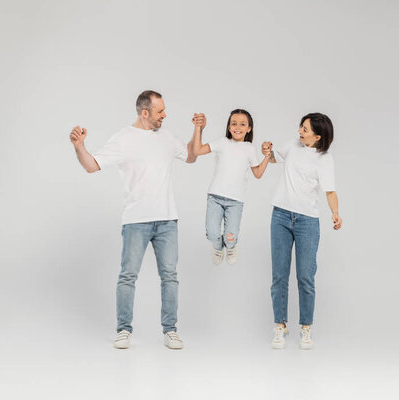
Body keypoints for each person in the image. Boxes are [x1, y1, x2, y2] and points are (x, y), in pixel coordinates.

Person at [69, 90, 203, 350]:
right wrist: (79, 147)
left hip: (167, 220)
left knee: (170, 277)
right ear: (145, 113)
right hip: (136, 221)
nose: (165, 115)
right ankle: (123, 329)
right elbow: (91, 165)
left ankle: (170, 330)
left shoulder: (166, 136)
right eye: (160, 111)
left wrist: (198, 130)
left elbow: (190, 156)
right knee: (128, 276)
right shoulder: (123, 139)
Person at [261, 113, 342, 350]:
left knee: (305, 277)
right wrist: (267, 150)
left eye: (305, 129)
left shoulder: (325, 159)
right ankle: (280, 325)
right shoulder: (293, 145)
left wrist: (335, 214)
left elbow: (330, 191)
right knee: (279, 275)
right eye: (301, 127)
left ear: (318, 137)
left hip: (308, 221)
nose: (299, 131)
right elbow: (275, 158)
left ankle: (306, 327)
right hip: (280, 216)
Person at [191, 109, 271, 265]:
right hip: (215, 197)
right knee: (212, 234)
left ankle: (231, 246)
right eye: (233, 123)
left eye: (242, 124)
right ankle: (217, 247)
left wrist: (267, 156)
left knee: (231, 237)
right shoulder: (222, 142)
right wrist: (198, 128)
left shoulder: (249, 148)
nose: (237, 127)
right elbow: (197, 150)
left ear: (249, 128)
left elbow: (258, 173)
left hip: (235, 201)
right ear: (228, 127)